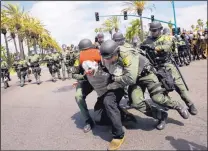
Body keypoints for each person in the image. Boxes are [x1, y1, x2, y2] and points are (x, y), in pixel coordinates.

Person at [72, 39, 128, 150]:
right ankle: (88, 121)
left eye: (90, 50)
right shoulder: (79, 58)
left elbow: (115, 70)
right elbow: (74, 73)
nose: (88, 53)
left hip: (103, 82)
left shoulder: (102, 55)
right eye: (85, 51)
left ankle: (119, 123)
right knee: (78, 96)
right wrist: (83, 76)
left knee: (108, 101)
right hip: (87, 81)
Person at [141, 21, 197, 115]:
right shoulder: (148, 40)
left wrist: (154, 48)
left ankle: (190, 104)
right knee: (160, 91)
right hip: (156, 68)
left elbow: (167, 47)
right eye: (151, 30)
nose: (153, 32)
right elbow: (141, 48)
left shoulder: (165, 37)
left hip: (167, 66)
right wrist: (141, 47)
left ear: (160, 30)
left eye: (154, 30)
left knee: (179, 87)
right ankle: (165, 113)